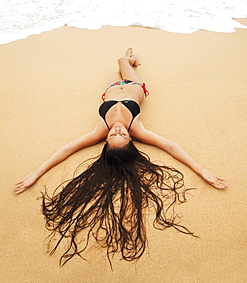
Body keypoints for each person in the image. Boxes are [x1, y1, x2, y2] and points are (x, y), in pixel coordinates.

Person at [13, 48, 227, 266]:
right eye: (121, 134)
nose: (116, 129)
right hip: (135, 87)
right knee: (122, 60)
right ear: (130, 139)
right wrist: (200, 170)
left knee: (120, 64)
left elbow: (67, 149)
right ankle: (131, 61)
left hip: (111, 90)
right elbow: (171, 147)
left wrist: (36, 173)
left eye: (113, 135)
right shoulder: (137, 128)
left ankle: (129, 61)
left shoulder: (100, 130)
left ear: (105, 142)